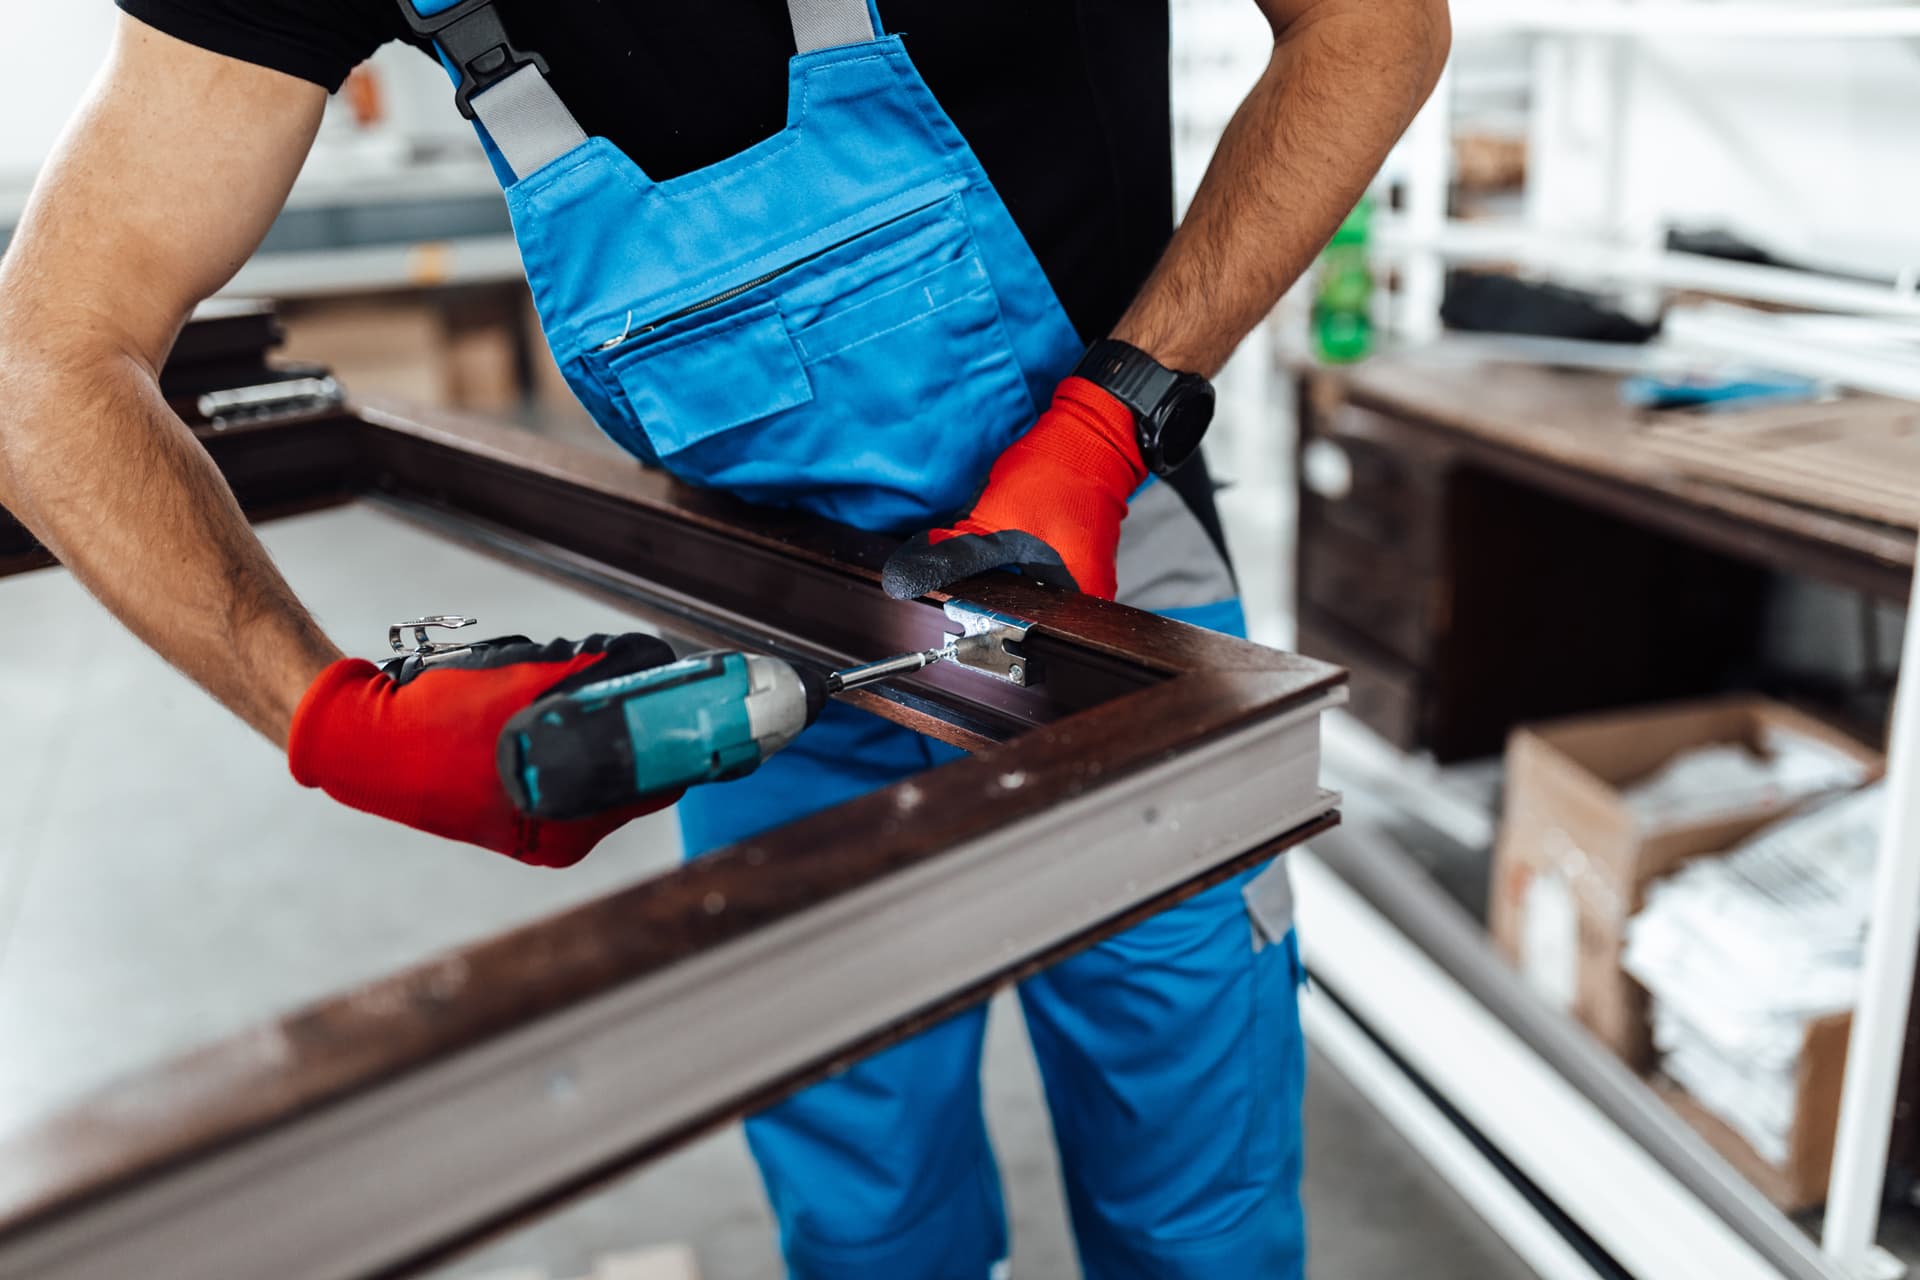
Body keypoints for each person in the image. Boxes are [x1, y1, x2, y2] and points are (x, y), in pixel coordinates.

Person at [0, 1, 1447, 1275]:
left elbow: (1374, 24)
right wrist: (329, 715)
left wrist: (1109, 414)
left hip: (1117, 595)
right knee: (865, 1225)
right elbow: (44, 357)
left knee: (1197, 1205)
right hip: (775, 645)